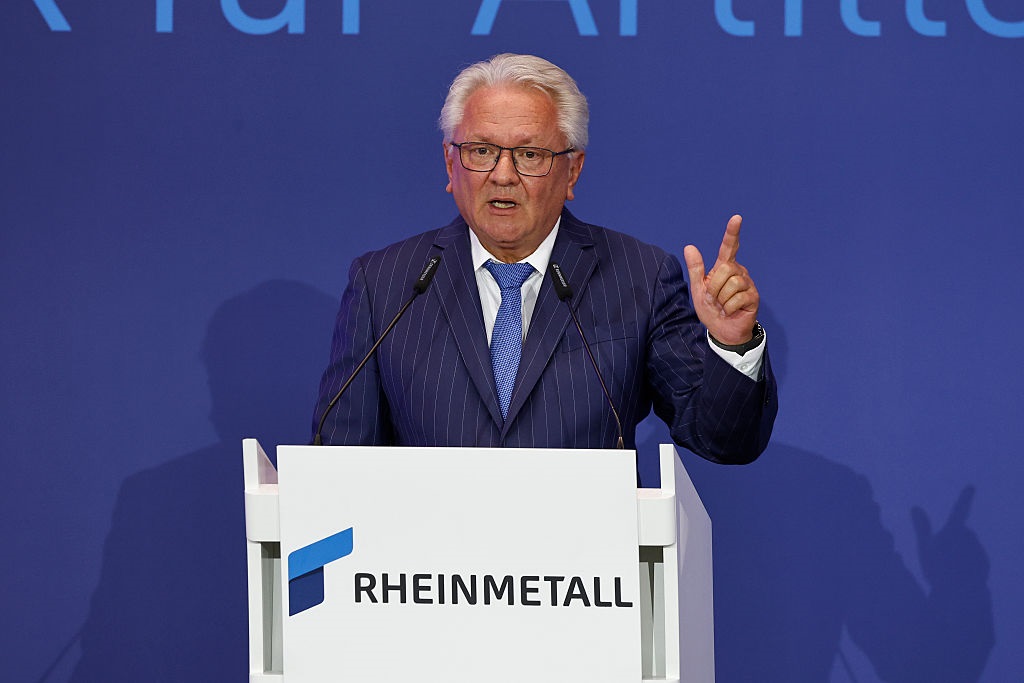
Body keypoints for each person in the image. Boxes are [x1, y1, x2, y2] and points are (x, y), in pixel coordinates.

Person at [313, 53, 776, 463]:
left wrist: (732, 344)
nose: (503, 175)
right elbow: (338, 461)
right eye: (481, 151)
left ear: (572, 170)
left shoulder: (639, 276)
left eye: (529, 154)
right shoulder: (385, 283)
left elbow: (722, 440)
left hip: (585, 538)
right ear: (450, 164)